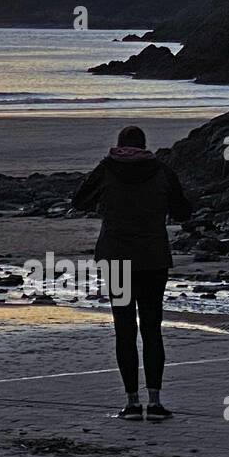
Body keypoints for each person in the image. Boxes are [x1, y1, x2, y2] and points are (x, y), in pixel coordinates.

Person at [71, 125, 192, 422]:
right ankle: (156, 401)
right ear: (144, 145)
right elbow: (183, 212)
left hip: (117, 260)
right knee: (152, 329)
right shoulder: (162, 171)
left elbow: (78, 201)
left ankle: (132, 402)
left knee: (124, 330)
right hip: (154, 259)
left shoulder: (107, 170)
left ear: (119, 144)